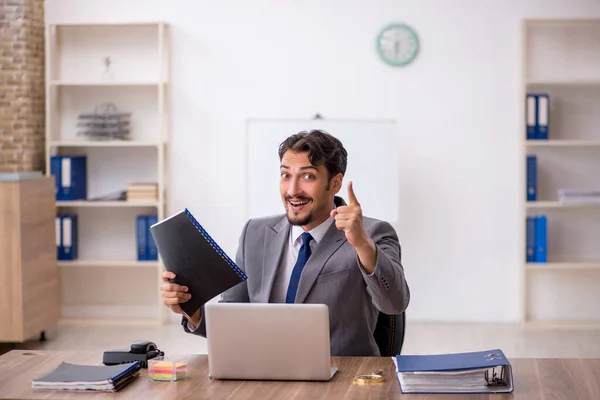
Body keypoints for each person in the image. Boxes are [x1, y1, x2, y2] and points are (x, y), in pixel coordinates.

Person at [160, 129, 410, 356]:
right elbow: (232, 318)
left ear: (335, 183)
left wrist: (362, 245)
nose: (293, 190)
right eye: (285, 175)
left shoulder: (372, 233)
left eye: (308, 176)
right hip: (266, 373)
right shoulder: (255, 233)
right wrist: (191, 310)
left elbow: (394, 302)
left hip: (343, 378)